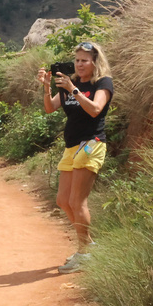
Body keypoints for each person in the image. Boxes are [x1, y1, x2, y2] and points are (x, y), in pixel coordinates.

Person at [36, 41, 114, 274]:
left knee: (77, 201)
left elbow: (95, 109)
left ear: (95, 62)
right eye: (77, 60)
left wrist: (73, 90)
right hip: (71, 147)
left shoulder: (102, 83)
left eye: (84, 60)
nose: (79, 65)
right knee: (62, 200)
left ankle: (85, 253)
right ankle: (87, 245)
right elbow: (50, 108)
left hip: (91, 144)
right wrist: (47, 87)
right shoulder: (69, 83)